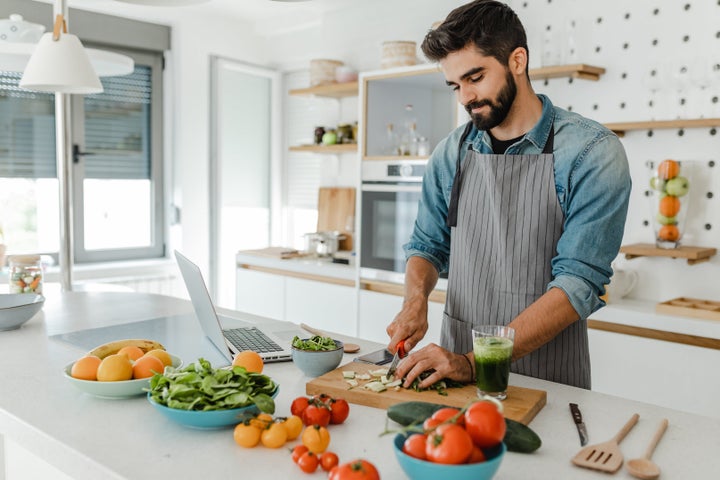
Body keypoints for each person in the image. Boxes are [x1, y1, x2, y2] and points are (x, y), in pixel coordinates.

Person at [386, 0, 631, 390]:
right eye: (455, 85)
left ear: (517, 60)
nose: (465, 97)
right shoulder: (452, 152)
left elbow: (578, 284)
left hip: (547, 377)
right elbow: (427, 245)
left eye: (476, 77)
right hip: (454, 369)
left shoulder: (592, 153)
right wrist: (415, 301)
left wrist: (475, 361)